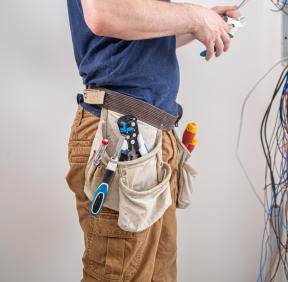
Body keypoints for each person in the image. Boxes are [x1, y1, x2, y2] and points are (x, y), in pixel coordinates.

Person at [66, 1, 240, 281]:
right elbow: (104, 15)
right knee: (117, 274)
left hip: (154, 138)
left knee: (159, 274)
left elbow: (142, 37)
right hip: (118, 135)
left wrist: (203, 23)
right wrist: (196, 17)